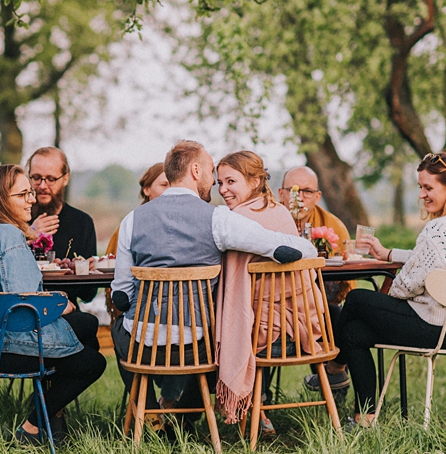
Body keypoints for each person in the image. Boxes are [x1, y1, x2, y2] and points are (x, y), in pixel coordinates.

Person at [109, 140, 317, 435]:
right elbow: (280, 248)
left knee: (122, 326)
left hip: (143, 347)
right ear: (195, 170)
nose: (214, 182)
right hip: (197, 348)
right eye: (210, 171)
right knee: (198, 328)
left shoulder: (131, 220)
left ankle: (150, 412)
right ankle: (173, 409)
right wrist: (306, 247)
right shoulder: (219, 219)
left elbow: (121, 294)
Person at [304, 152, 446, 427]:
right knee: (353, 332)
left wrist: (386, 299)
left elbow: (404, 286)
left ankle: (335, 366)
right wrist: (389, 253)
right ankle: (365, 417)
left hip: (436, 326)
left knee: (357, 299)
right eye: (420, 187)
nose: (422, 195)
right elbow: (433, 261)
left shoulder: (438, 229)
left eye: (428, 187)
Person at [0, 165, 106, 446]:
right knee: (93, 361)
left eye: (30, 193)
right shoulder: (10, 237)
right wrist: (63, 306)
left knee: (87, 326)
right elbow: (27, 303)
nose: (32, 200)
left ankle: (51, 413)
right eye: (24, 194)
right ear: (1, 199)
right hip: (10, 346)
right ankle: (36, 424)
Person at [215, 151, 323, 434]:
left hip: (264, 334)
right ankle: (257, 406)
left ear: (254, 181)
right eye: (219, 183)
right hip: (306, 330)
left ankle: (182, 413)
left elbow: (233, 290)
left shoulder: (237, 219)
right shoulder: (280, 211)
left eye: (230, 181)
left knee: (207, 327)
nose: (223, 189)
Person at [28, 147, 98, 307]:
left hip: (67, 308)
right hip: (23, 306)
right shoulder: (15, 219)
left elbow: (88, 295)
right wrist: (29, 234)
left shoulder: (82, 222)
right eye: (36, 178)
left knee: (88, 324)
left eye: (51, 179)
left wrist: (87, 271)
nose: (43, 186)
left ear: (65, 179)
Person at [104, 163, 170, 320]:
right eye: (164, 185)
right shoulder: (129, 226)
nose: (170, 191)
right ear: (146, 189)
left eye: (173, 185)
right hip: (137, 310)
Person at [278, 166, 353, 304]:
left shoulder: (333, 225)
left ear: (317, 196)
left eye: (307, 191)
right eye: (293, 191)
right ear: (281, 194)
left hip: (320, 298)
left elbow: (345, 279)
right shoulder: (269, 221)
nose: (299, 198)